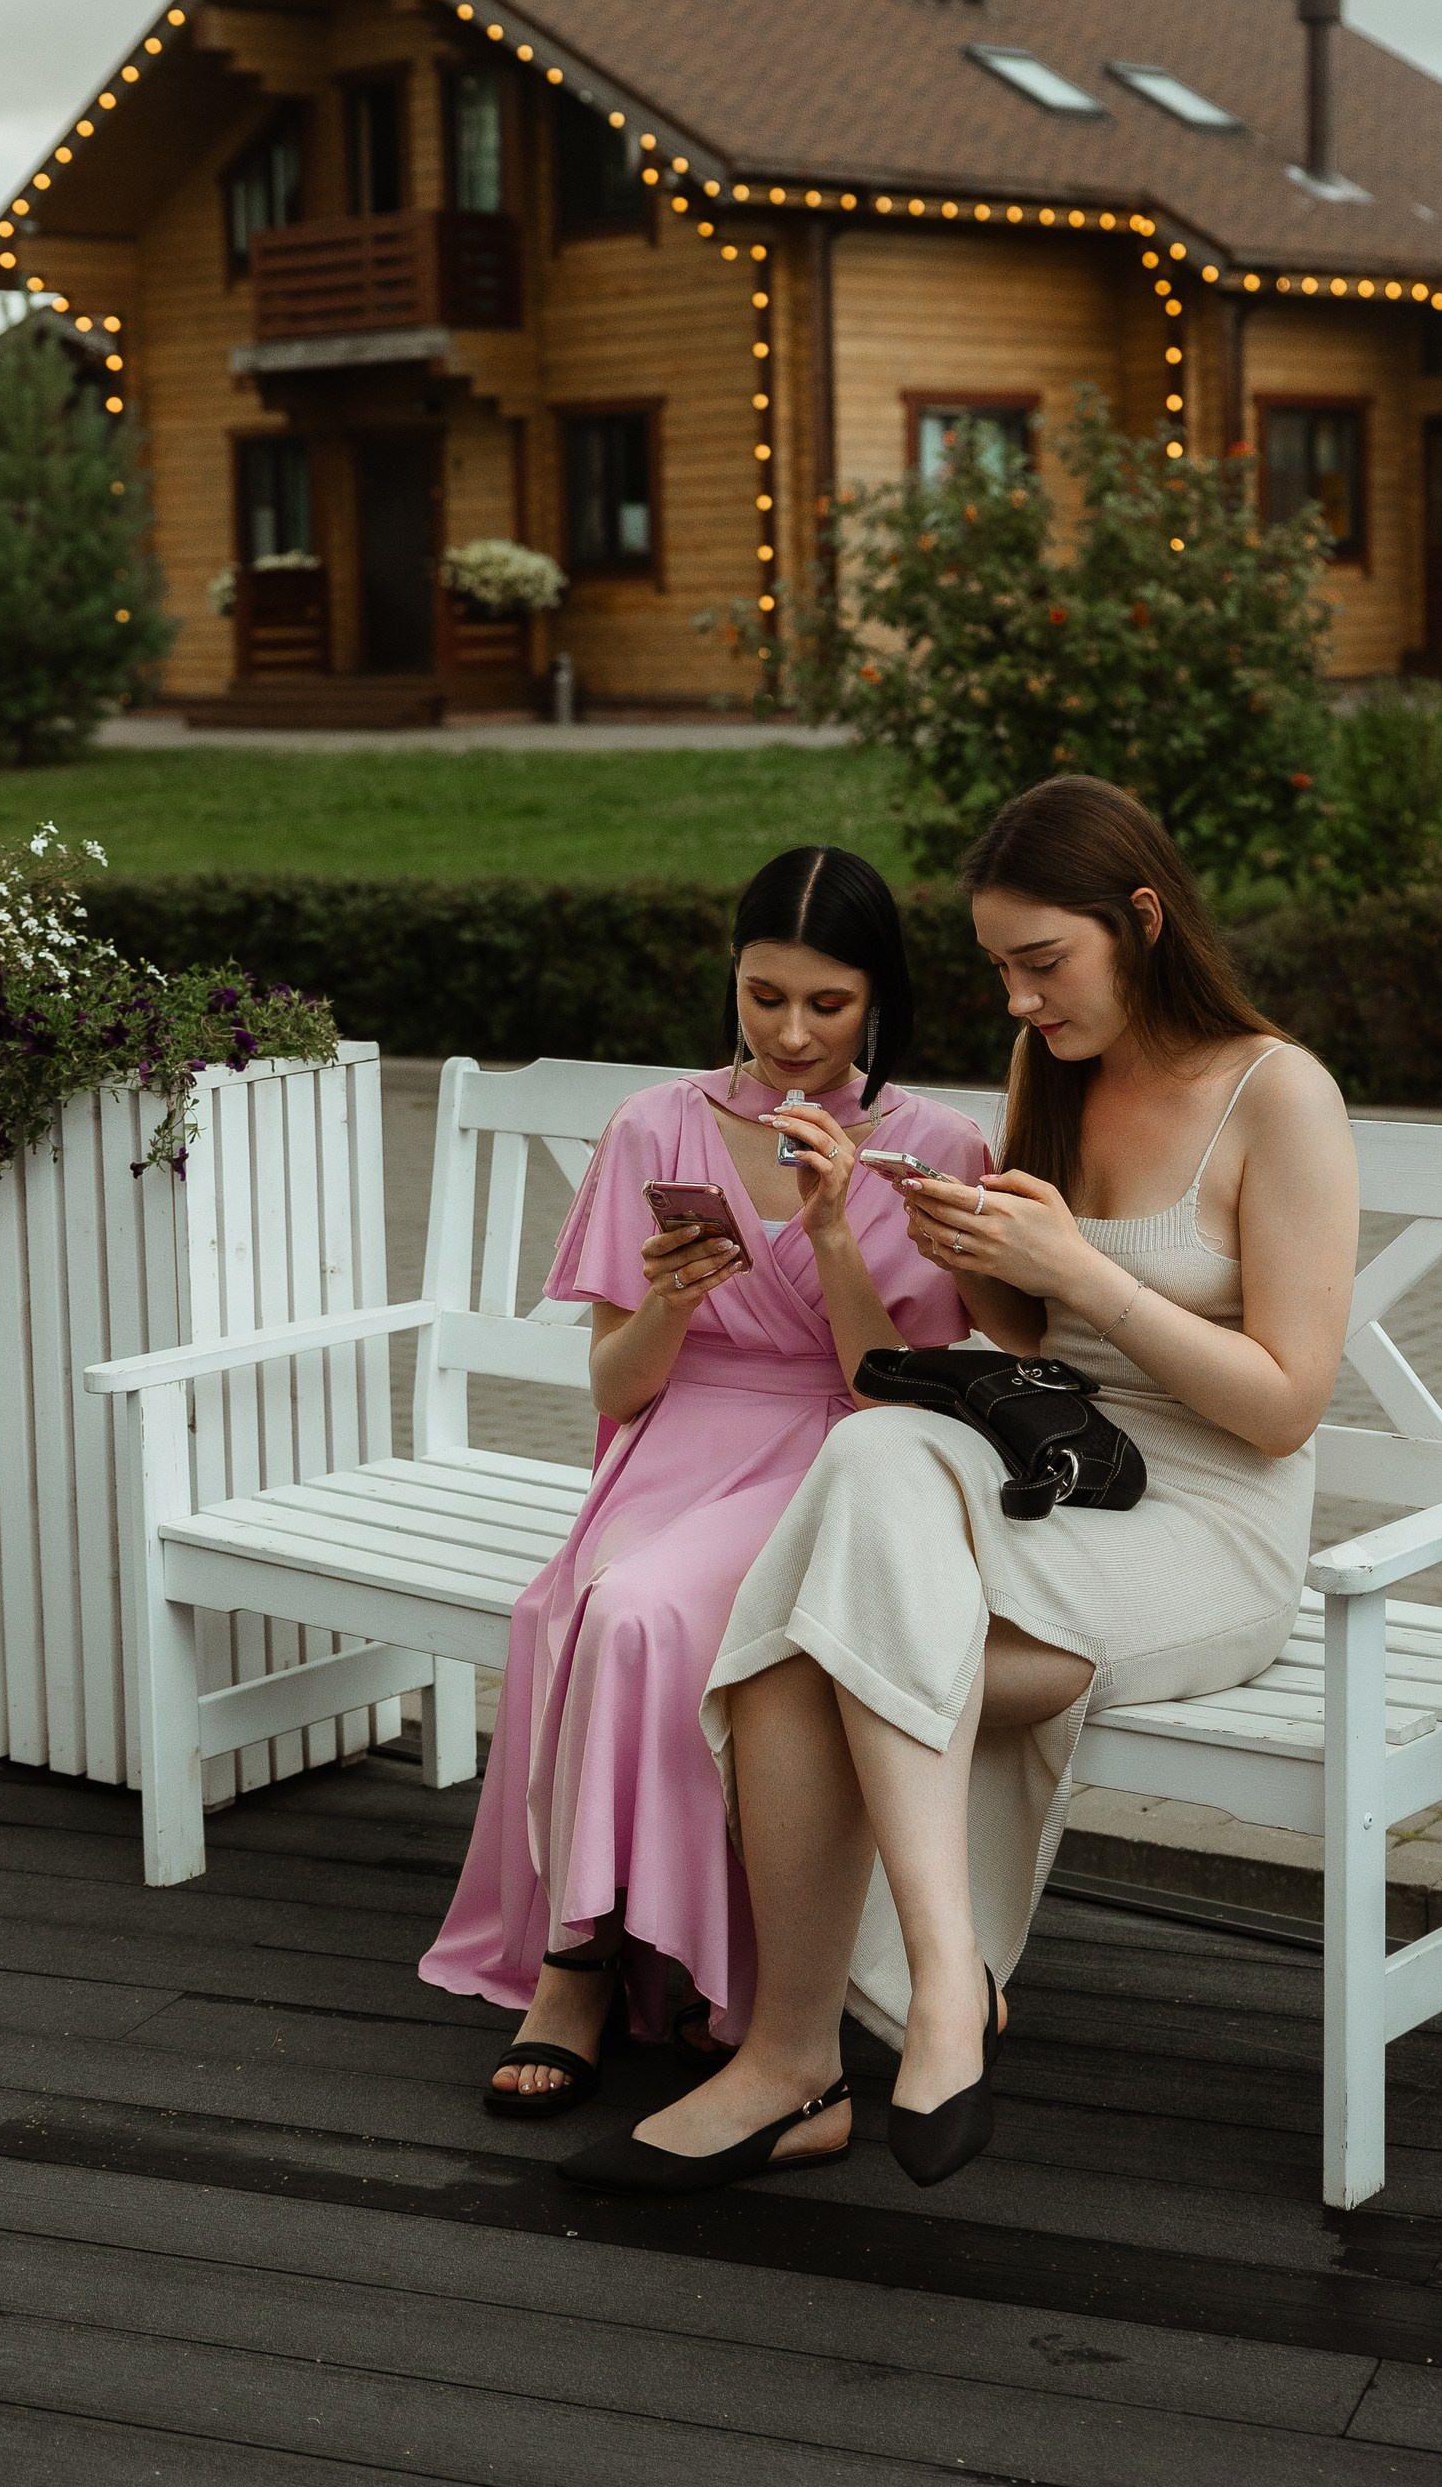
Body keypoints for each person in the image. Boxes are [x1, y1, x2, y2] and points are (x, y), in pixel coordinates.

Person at [560, 773, 1359, 2192]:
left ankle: (845, 2038)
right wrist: (973, 1260)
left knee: (791, 1664)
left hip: (1204, 1522)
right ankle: (910, 2001)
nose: (1019, 1003)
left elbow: (1285, 1409)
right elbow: (1022, 1345)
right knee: (871, 1448)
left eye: (1041, 965)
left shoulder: (1277, 1093)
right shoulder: (1055, 1073)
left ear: (1144, 920)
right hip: (1050, 1468)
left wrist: (1084, 1277)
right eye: (1002, 971)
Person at [420, 844, 990, 2116]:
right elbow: (615, 1389)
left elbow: (888, 1392)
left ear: (878, 996)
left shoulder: (929, 1146)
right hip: (673, 1444)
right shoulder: (655, 1124)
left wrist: (836, 1228)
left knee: (642, 1611)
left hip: (842, 1458)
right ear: (729, 981)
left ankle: (662, 1957)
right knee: (604, 1603)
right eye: (761, 994)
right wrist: (671, 1303)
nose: (789, 1034)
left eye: (825, 1004)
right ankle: (576, 1964)